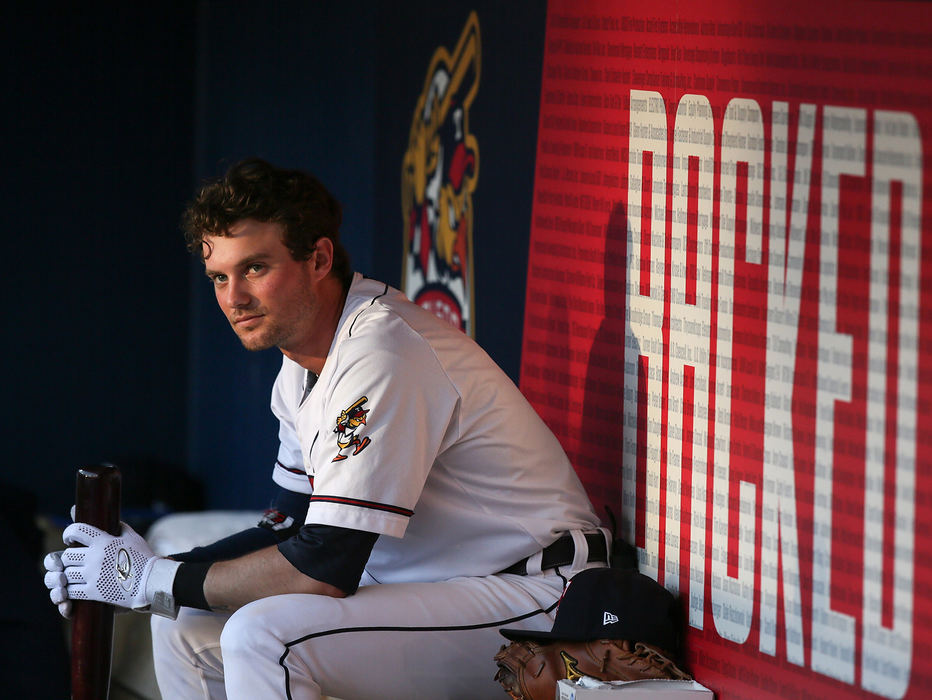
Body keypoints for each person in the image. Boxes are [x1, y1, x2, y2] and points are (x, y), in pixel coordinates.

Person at [44, 158, 608, 699]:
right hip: (446, 590)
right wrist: (135, 571)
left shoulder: (381, 348)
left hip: (540, 597)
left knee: (262, 636)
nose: (233, 298)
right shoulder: (301, 364)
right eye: (219, 277)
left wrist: (150, 581)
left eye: (255, 268)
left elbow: (326, 567)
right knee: (186, 626)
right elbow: (290, 525)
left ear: (318, 259)